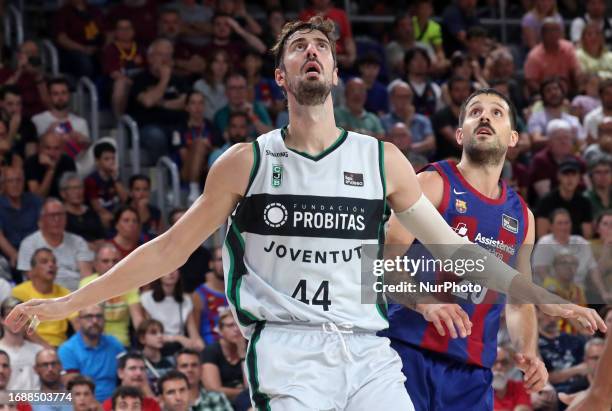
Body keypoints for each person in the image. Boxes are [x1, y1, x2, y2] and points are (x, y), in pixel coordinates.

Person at [7, 17, 605, 411]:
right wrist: (68, 302)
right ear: (281, 76)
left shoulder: (383, 161)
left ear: (337, 73)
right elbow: (166, 249)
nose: (312, 52)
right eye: (299, 47)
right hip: (288, 351)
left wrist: (550, 300)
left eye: (321, 46)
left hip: (370, 350)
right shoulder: (245, 162)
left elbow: (462, 255)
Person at [381, 87, 548, 411]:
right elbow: (382, 263)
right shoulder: (431, 183)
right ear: (460, 134)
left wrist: (529, 352)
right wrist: (426, 304)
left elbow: (519, 303)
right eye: (475, 112)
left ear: (513, 138)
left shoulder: (522, 216)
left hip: (471, 374)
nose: (484, 116)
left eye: (496, 112)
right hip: (406, 353)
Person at [17, 198, 93, 291]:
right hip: (44, 296)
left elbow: (87, 278)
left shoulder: (79, 242)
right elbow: (30, 279)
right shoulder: (29, 244)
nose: (57, 219)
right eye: (52, 215)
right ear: (42, 219)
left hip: (76, 296)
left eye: (60, 215)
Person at [79, 243, 144, 347]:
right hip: (95, 342)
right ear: (95, 264)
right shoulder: (86, 284)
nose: (111, 265)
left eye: (115, 261)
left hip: (122, 344)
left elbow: (137, 319)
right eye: (105, 261)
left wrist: (144, 338)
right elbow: (85, 319)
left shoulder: (130, 284)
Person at [57, 304, 124, 402]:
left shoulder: (114, 344)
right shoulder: (67, 350)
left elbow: (129, 375)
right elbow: (74, 389)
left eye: (99, 316)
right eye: (89, 316)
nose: (95, 321)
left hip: (115, 403)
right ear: (79, 321)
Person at [12, 248, 71, 347]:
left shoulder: (65, 293)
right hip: (30, 346)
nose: (51, 265)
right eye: (44, 262)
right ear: (32, 270)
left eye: (54, 262)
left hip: (62, 347)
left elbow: (78, 322)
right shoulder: (18, 292)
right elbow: (19, 326)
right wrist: (47, 348)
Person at [31, 77, 91, 167]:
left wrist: (86, 143)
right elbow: (34, 151)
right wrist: (49, 132)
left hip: (75, 166)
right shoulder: (37, 120)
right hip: (46, 165)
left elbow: (84, 155)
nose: (60, 97)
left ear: (69, 95)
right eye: (55, 94)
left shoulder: (81, 122)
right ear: (49, 96)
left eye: (64, 93)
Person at [140, 270, 204, 354]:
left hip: (179, 348)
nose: (171, 273)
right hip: (158, 348)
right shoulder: (146, 298)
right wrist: (177, 338)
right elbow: (149, 334)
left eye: (175, 269)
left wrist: (203, 350)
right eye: (167, 270)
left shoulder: (186, 300)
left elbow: (194, 336)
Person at [534, 158, 593, 238]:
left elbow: (587, 235)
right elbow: (541, 235)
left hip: (576, 246)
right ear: (558, 176)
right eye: (566, 174)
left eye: (574, 175)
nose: (570, 179)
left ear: (579, 177)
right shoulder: (546, 201)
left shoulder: (584, 202)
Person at [0, 166, 42, 269]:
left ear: (24, 182)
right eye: (10, 181)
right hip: (12, 255)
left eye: (18, 180)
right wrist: (15, 255)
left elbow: (44, 227)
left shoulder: (34, 201)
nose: (15, 185)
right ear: (3, 184)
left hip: (38, 251)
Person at [201, 309, 246, 403]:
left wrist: (243, 356)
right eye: (230, 325)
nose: (236, 329)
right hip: (220, 403)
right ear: (220, 331)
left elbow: (250, 385)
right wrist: (243, 392)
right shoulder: (211, 351)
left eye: (238, 324)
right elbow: (213, 389)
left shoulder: (250, 347)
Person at [0, 297, 43, 390]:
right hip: (6, 403)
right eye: (10, 315)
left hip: (35, 402)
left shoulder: (39, 351)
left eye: (20, 316)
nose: (16, 320)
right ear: (1, 319)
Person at [84, 143, 128, 229]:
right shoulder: (91, 180)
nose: (111, 162)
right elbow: (97, 207)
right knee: (105, 217)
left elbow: (125, 199)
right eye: (106, 159)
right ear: (97, 161)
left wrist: (115, 178)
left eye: (113, 158)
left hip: (115, 212)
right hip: (96, 215)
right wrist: (115, 218)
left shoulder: (115, 178)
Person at [24, 130, 77, 199]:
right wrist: (50, 170)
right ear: (40, 148)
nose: (52, 153)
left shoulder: (68, 162)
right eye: (48, 148)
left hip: (62, 205)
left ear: (62, 150)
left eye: (56, 148)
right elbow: (37, 198)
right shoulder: (31, 163)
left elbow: (73, 193)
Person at [59, 172, 106, 248]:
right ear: (63, 193)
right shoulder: (60, 216)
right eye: (73, 188)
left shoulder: (91, 213)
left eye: (80, 187)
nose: (78, 192)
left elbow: (101, 237)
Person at [193, 247, 228, 345]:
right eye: (220, 259)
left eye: (228, 258)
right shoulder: (199, 294)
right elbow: (195, 332)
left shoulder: (239, 291)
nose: (224, 263)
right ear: (211, 264)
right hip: (211, 348)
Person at [136, 319, 174, 393]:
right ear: (142, 339)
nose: (160, 336)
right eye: (153, 333)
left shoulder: (171, 361)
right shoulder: (136, 361)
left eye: (161, 332)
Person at [492, 345, 533, 411]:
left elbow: (524, 409)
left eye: (504, 362)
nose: (499, 367)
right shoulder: (477, 389)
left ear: (509, 366)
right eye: (493, 362)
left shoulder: (520, 387)